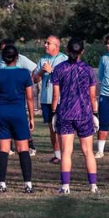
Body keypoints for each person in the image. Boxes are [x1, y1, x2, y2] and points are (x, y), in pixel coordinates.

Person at [51, 37, 99, 194]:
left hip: (65, 113)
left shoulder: (59, 69)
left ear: (67, 50)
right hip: (84, 113)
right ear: (82, 51)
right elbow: (92, 96)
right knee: (88, 151)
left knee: (66, 152)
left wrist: (53, 113)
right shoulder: (88, 70)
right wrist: (95, 113)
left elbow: (55, 96)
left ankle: (65, 186)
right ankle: (93, 185)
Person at [0, 43, 35, 193]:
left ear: (3, 58)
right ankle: (28, 184)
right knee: (23, 149)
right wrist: (31, 117)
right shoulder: (24, 74)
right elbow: (30, 98)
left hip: (2, 114)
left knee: (3, 149)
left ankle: (2, 184)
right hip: (19, 114)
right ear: (17, 57)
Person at [0, 38, 38, 156]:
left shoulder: (21, 59)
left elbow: (34, 68)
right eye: (1, 50)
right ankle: (8, 147)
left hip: (17, 97)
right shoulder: (0, 59)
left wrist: (29, 81)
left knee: (22, 123)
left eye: (4, 49)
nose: (3, 53)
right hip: (4, 97)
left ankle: (30, 144)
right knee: (5, 123)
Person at [32, 35, 67, 164]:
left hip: (61, 100)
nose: (45, 45)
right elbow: (35, 79)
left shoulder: (64, 59)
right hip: (46, 99)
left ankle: (65, 155)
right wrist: (41, 72)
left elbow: (67, 79)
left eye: (48, 43)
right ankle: (57, 155)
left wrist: (52, 71)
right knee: (52, 128)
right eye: (45, 43)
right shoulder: (42, 59)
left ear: (56, 46)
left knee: (62, 128)